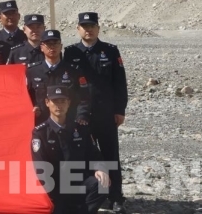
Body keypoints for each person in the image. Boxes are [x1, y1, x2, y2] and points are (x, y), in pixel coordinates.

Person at [63, 12, 128, 213]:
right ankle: (85, 195)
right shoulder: (71, 52)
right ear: (78, 29)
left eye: (92, 26)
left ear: (98, 28)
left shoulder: (110, 51)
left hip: (105, 113)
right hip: (80, 114)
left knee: (110, 154)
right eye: (84, 26)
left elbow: (120, 82)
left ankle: (115, 197)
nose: (88, 30)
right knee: (81, 154)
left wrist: (119, 110)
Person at [31, 85, 110, 214]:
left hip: (78, 182)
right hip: (55, 187)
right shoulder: (40, 133)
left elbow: (95, 154)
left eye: (62, 101)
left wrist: (100, 169)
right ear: (47, 103)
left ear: (68, 103)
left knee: (102, 184)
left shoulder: (80, 129)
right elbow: (41, 169)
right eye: (55, 101)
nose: (59, 106)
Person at [26, 30, 90, 126]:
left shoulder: (74, 71)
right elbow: (26, 96)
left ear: (61, 46)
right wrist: (33, 107)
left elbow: (84, 97)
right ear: (42, 47)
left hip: (69, 123)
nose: (52, 47)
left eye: (55, 43)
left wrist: (81, 115)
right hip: (41, 123)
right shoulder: (32, 71)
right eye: (48, 44)